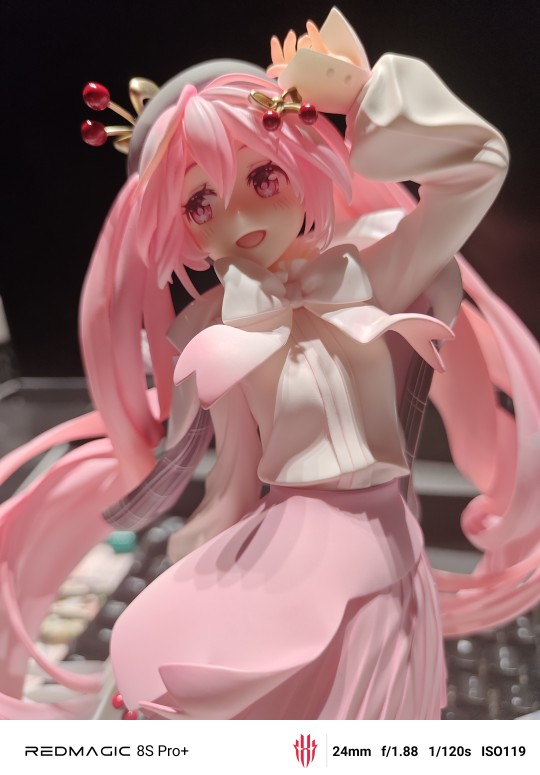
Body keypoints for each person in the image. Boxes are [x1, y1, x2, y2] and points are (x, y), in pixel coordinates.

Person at [0, 8, 538, 720]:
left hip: (386, 550)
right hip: (287, 556)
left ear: (299, 164)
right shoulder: (217, 330)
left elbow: (479, 166)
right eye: (201, 203)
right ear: (179, 228)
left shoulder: (371, 272)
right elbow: (234, 474)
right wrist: (195, 553)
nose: (237, 216)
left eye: (263, 177)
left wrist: (362, 97)